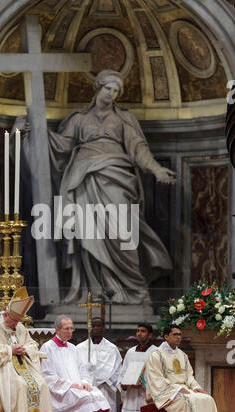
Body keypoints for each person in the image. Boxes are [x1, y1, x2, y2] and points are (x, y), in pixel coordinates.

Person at [48, 69, 175, 304]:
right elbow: (60, 145)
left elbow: (138, 148)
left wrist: (156, 169)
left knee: (121, 233)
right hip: (83, 179)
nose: (112, 94)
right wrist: (34, 130)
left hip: (116, 178)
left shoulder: (124, 119)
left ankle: (134, 289)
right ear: (98, 87)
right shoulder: (78, 119)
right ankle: (93, 290)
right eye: (108, 88)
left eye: (116, 91)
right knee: (87, 233)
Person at [146, 325, 223, 412]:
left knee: (208, 399)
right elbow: (156, 378)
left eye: (180, 334)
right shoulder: (156, 355)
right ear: (166, 337)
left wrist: (196, 387)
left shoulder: (182, 355)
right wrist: (177, 389)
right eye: (175, 334)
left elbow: (189, 376)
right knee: (187, 401)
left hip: (184, 389)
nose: (178, 337)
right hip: (168, 392)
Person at [40, 315, 113, 412]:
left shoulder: (73, 348)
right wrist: (70, 385)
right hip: (60, 391)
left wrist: (85, 383)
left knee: (98, 396)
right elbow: (47, 375)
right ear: (57, 330)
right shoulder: (47, 347)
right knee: (86, 400)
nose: (70, 332)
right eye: (66, 329)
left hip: (77, 387)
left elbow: (82, 370)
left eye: (71, 329)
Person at [118, 323, 164, 412]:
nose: (139, 333)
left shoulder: (156, 352)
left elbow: (160, 375)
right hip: (132, 396)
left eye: (142, 331)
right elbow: (123, 372)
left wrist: (144, 384)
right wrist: (125, 384)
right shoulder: (130, 352)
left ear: (150, 335)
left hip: (147, 397)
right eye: (138, 331)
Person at [76, 317, 122, 412]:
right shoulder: (80, 348)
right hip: (86, 391)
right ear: (89, 328)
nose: (96, 328)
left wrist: (107, 380)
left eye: (98, 326)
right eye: (93, 326)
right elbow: (75, 369)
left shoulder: (112, 348)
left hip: (105, 389)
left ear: (104, 328)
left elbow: (118, 371)